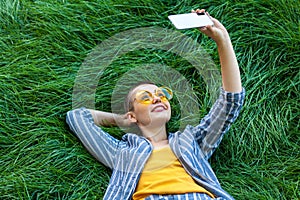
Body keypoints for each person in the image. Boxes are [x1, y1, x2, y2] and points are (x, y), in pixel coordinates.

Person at [66, 9, 245, 200]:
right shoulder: (122, 153)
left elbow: (230, 103)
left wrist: (222, 40)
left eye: (161, 93)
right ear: (133, 115)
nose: (157, 98)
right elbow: (77, 117)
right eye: (145, 97)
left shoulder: (192, 141)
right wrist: (121, 120)